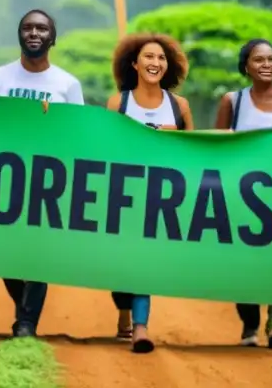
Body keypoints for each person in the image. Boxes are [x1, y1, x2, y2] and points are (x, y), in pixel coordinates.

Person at [0, 9, 85, 338]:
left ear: (52, 38)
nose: (34, 33)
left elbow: (76, 134)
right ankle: (23, 304)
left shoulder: (68, 84)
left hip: (48, 180)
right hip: (5, 176)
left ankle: (26, 322)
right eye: (27, 27)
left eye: (42, 28)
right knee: (2, 252)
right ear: (19, 35)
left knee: (40, 251)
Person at [214, 38, 272, 350]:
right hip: (241, 198)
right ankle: (250, 322)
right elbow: (217, 147)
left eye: (271, 59)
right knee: (242, 263)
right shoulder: (233, 102)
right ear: (246, 67)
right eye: (259, 60)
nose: (267, 65)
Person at [104, 33, 194, 355]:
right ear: (134, 63)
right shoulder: (118, 103)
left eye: (161, 58)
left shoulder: (179, 107)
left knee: (143, 262)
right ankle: (125, 313)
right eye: (148, 57)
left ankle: (141, 326)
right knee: (118, 265)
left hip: (161, 200)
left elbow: (192, 152)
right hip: (123, 197)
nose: (155, 63)